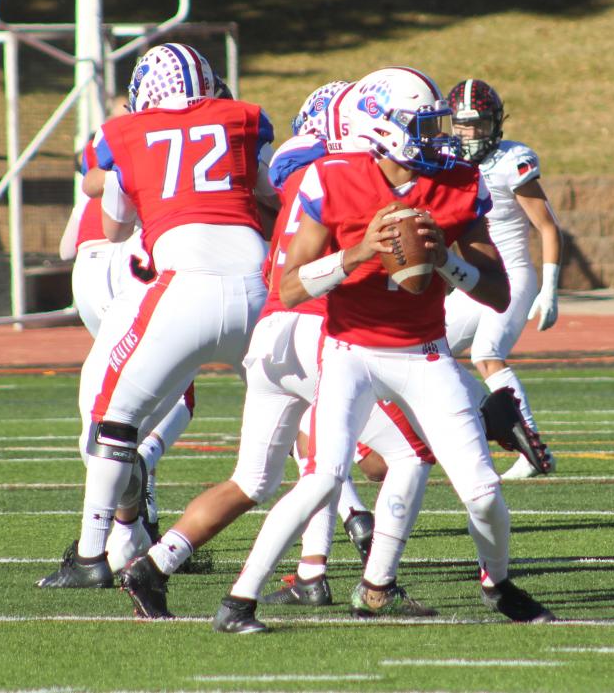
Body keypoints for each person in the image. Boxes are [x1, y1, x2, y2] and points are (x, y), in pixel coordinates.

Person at [208, 66, 554, 633]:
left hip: (425, 354)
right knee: (321, 477)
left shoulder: (459, 182)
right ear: (381, 127)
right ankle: (238, 600)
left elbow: (497, 293)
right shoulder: (332, 178)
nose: (437, 134)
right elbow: (290, 288)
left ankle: (498, 583)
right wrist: (359, 252)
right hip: (348, 353)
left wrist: (447, 261)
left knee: (484, 490)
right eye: (422, 123)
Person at [116, 79, 442, 618]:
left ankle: (153, 566)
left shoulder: (302, 167)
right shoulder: (357, 176)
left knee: (253, 480)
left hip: (270, 334)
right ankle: (378, 586)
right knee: (408, 454)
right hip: (317, 332)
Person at [36, 42, 274, 589]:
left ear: (143, 94)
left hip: (182, 289)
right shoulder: (244, 118)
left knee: (111, 422)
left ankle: (93, 555)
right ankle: (326, 557)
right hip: (259, 286)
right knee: (310, 420)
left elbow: (116, 226)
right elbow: (270, 196)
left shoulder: (124, 133)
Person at [55, 99, 198, 573]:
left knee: (113, 398)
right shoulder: (175, 133)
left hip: (87, 271)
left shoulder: (111, 137)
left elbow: (67, 242)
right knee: (169, 396)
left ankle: (127, 521)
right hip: (139, 259)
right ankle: (123, 522)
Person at [443, 78, 562, 479]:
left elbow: (548, 227)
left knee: (485, 353)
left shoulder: (512, 161)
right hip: (472, 279)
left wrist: (549, 288)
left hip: (510, 277)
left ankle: (530, 446)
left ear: (496, 123)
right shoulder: (445, 160)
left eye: (480, 124)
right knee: (426, 345)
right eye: (463, 124)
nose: (472, 133)